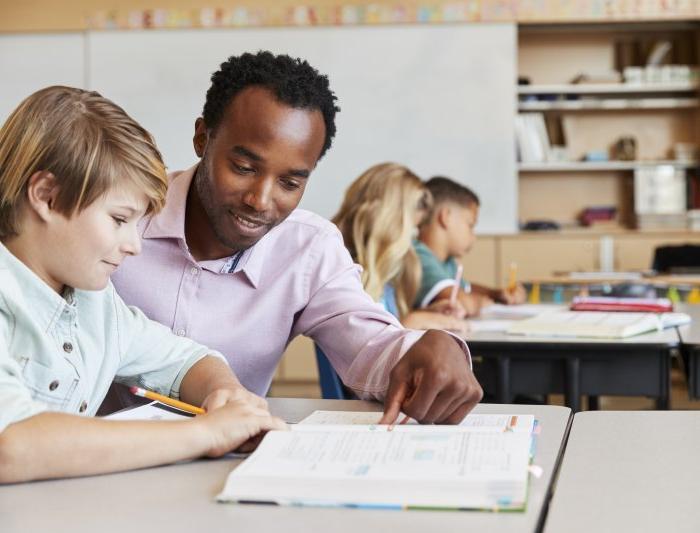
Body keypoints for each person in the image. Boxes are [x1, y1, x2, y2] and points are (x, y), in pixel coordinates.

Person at [111, 51, 482, 424]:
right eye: (242, 168)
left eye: (290, 182)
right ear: (202, 138)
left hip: (221, 466)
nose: (260, 200)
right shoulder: (118, 215)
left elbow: (368, 342)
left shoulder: (308, 248)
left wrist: (429, 349)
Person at [0, 86, 285, 484]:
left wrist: (226, 395)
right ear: (46, 196)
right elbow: (10, 445)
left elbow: (184, 359)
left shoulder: (93, 301)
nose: (134, 245)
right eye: (119, 219)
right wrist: (204, 434)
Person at [332, 163, 468, 336]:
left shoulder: (384, 278)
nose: (412, 241)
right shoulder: (344, 274)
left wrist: (428, 314)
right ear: (390, 221)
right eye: (410, 229)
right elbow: (362, 345)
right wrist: (414, 321)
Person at [415, 176, 527, 316]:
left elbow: (465, 289)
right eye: (470, 225)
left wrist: (497, 294)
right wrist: (479, 302)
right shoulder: (418, 256)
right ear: (446, 217)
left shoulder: (446, 262)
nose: (473, 236)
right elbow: (464, 303)